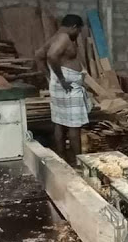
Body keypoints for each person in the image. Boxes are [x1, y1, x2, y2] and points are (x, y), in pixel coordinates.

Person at [34, 14, 91, 166]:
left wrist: (49, 76)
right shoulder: (64, 38)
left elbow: (38, 55)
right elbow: (52, 56)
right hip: (67, 86)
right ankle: (78, 161)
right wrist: (62, 79)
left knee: (59, 122)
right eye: (78, 31)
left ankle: (62, 156)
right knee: (74, 125)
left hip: (60, 85)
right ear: (74, 27)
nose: (78, 34)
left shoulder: (55, 37)